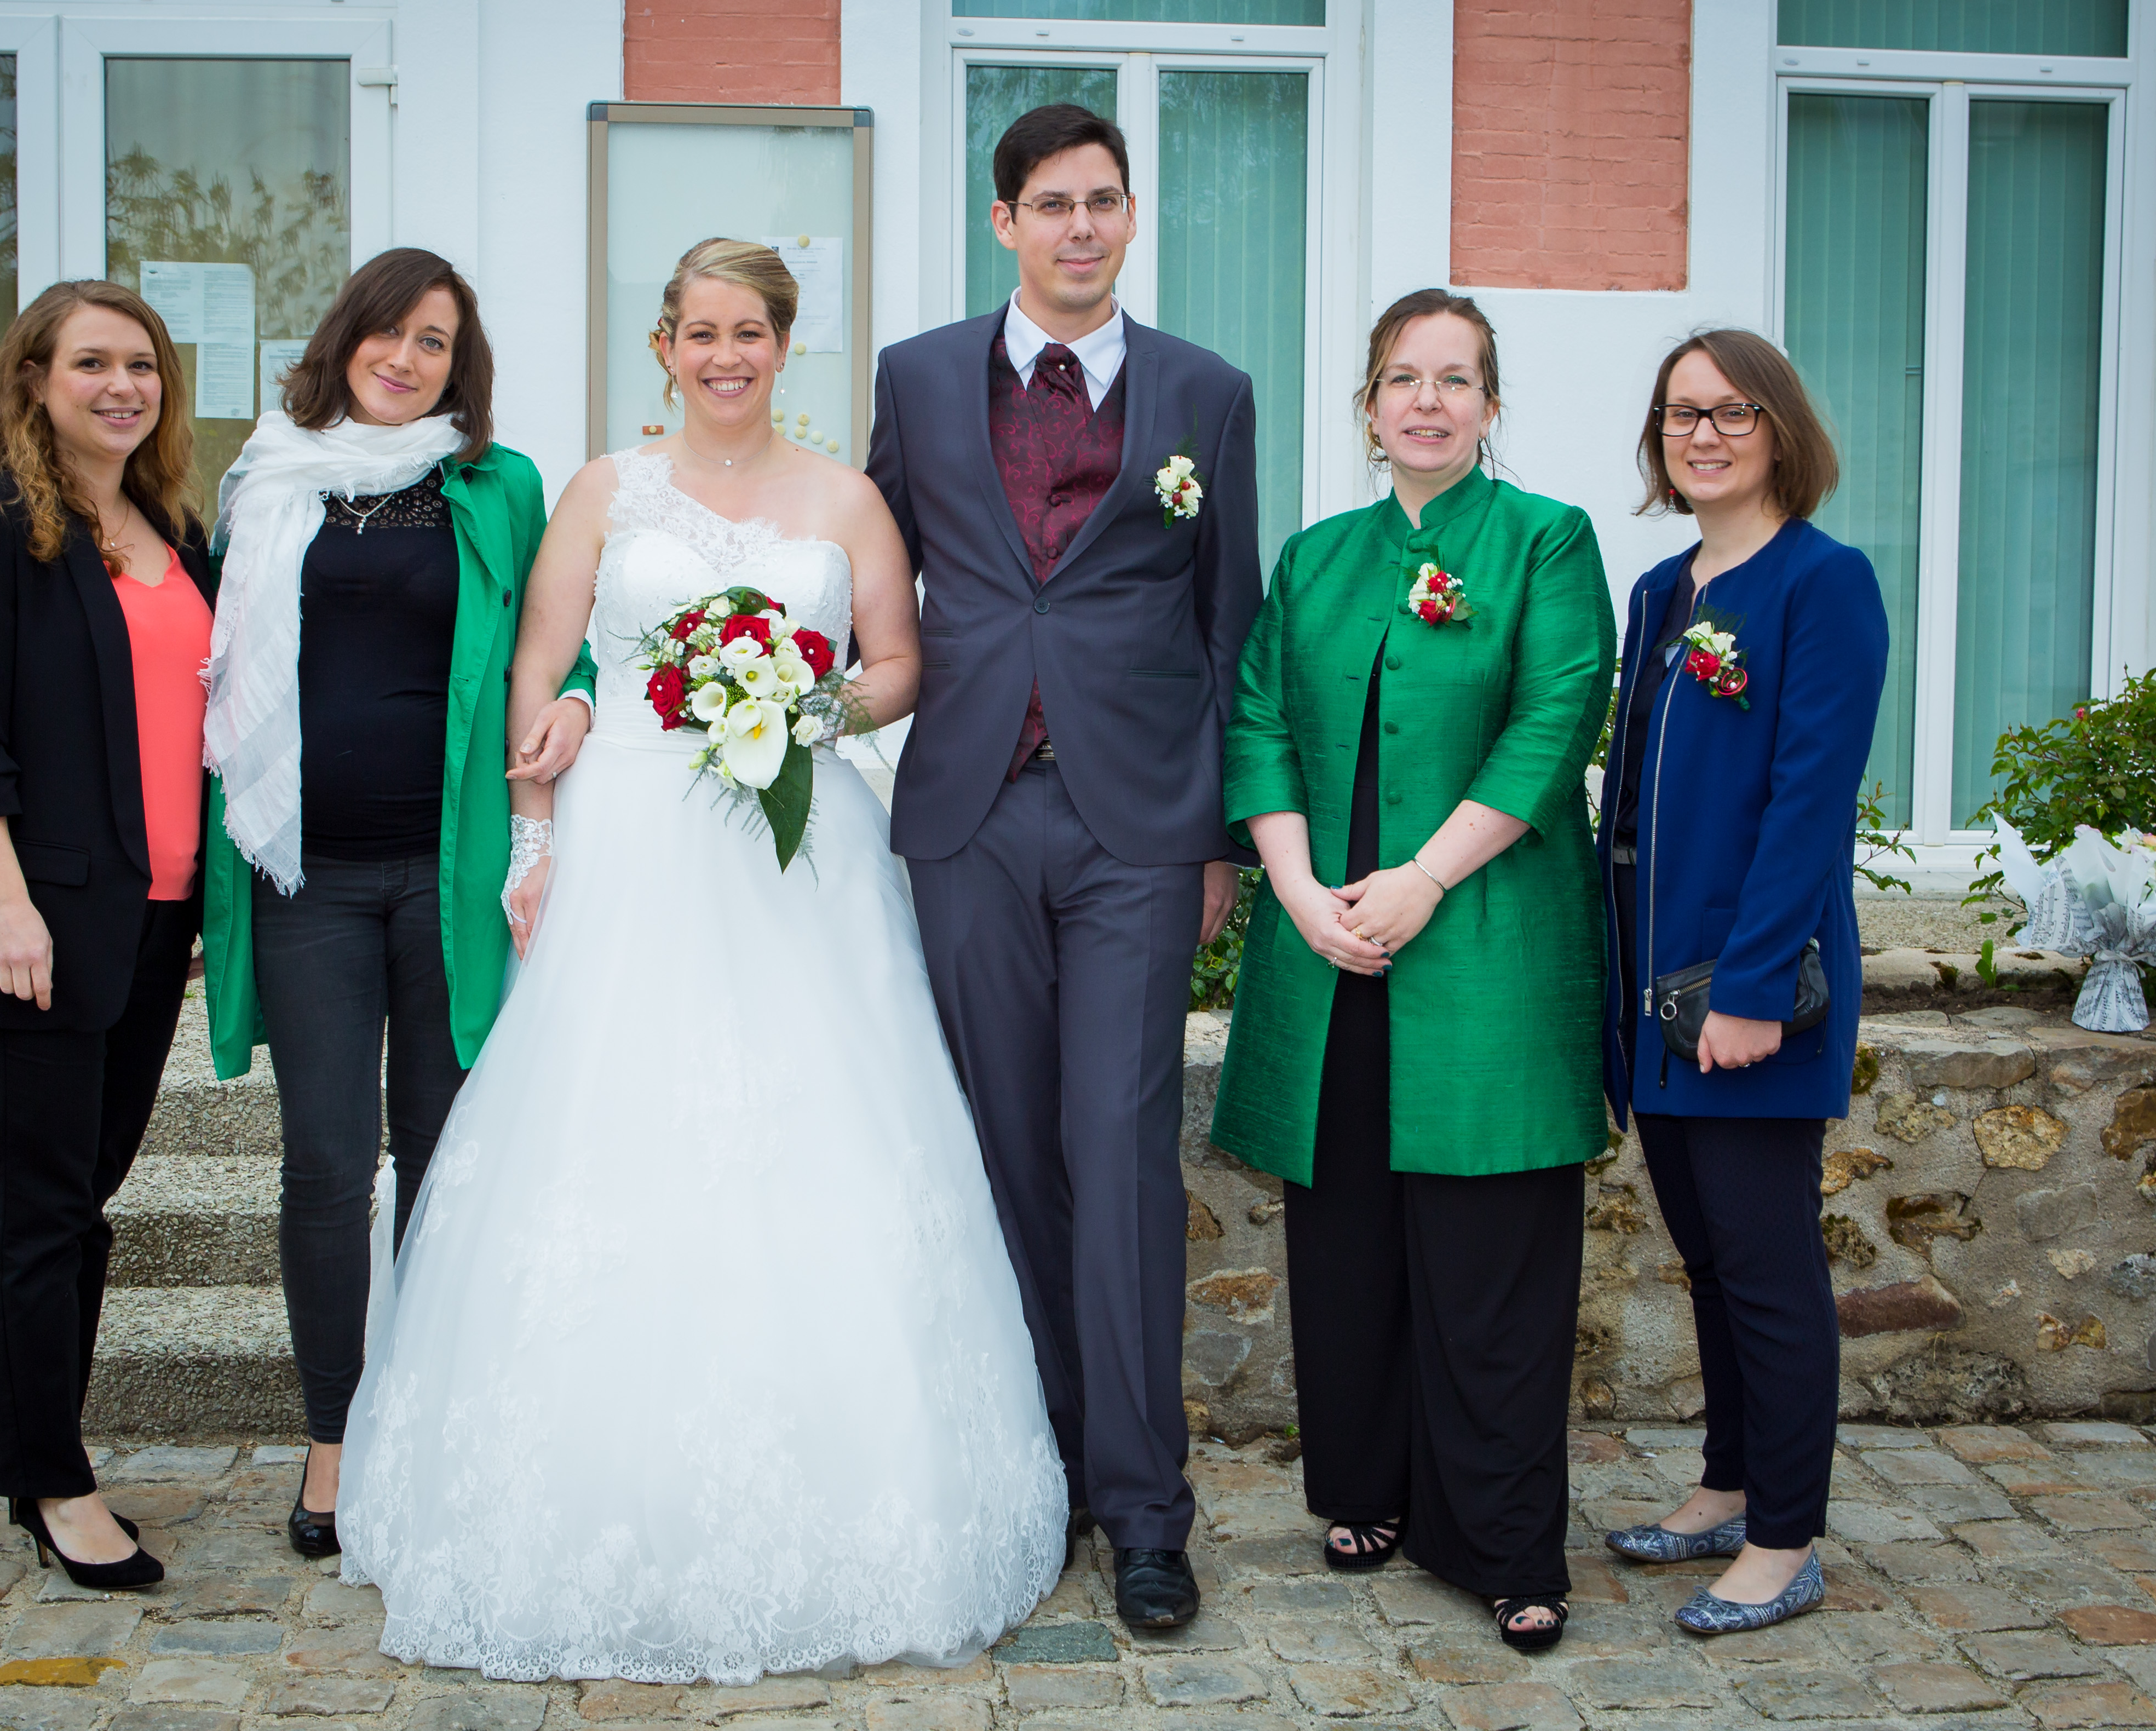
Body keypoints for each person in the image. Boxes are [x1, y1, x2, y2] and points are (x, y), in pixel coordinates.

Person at [330, 239, 1068, 1682]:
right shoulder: (605, 490)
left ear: (784, 346)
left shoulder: (845, 499)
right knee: (612, 1138)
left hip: (801, 853)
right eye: (701, 333)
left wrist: (803, 708)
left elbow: (899, 663)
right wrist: (532, 834)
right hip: (630, 845)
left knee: (823, 1137)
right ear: (664, 345)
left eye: (751, 333)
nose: (726, 357)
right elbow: (541, 664)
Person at [865, 102, 1261, 1632]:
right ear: (1004, 222)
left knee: (1119, 1148)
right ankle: (1046, 1473)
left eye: (1102, 201)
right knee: (1004, 1150)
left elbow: (1227, 621)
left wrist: (1219, 831)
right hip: (966, 813)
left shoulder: (1204, 391)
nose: (1079, 226)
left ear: (1130, 216)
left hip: (1136, 828)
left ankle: (1148, 1512)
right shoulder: (916, 378)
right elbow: (871, 585)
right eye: (1051, 203)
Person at [1212, 290, 1613, 1652]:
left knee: (1490, 1259)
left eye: (1455, 379)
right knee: (1346, 1247)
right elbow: (1258, 719)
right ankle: (1364, 1488)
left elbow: (1552, 722)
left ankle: (1502, 1541)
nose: (1426, 402)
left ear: (1491, 406)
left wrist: (1422, 879)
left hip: (1482, 948)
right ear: (1368, 406)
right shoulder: (1316, 558)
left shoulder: (1547, 540)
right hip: (1327, 948)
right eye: (1402, 378)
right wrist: (1293, 888)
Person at [198, 249, 600, 1559]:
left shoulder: (497, 484)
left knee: (444, 1155)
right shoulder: (266, 481)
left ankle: (431, 1432)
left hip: (449, 877)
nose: (407, 359)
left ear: (457, 366)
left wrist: (578, 698)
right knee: (325, 1163)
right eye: (391, 331)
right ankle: (333, 1439)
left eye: (436, 342)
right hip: (304, 878)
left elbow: (567, 639)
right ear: (346, 338)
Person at [0, 279, 215, 1590]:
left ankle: (50, 1453)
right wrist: (5, 901)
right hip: (32, 923)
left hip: (153, 920)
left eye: (140, 365)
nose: (120, 387)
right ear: (33, 378)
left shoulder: (172, 528)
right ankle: (51, 1484)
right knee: (40, 1209)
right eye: (91, 363)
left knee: (83, 1200)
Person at [1597, 329, 1886, 1635]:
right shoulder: (1660, 590)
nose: (1701, 435)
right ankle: (1725, 1486)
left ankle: (1785, 1540)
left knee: (1767, 1270)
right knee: (1708, 1261)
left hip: (1753, 995)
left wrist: (1754, 989)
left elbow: (1808, 803)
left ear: (1779, 430)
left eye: (1729, 412)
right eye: (1680, 414)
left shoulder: (1825, 585)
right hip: (1654, 998)